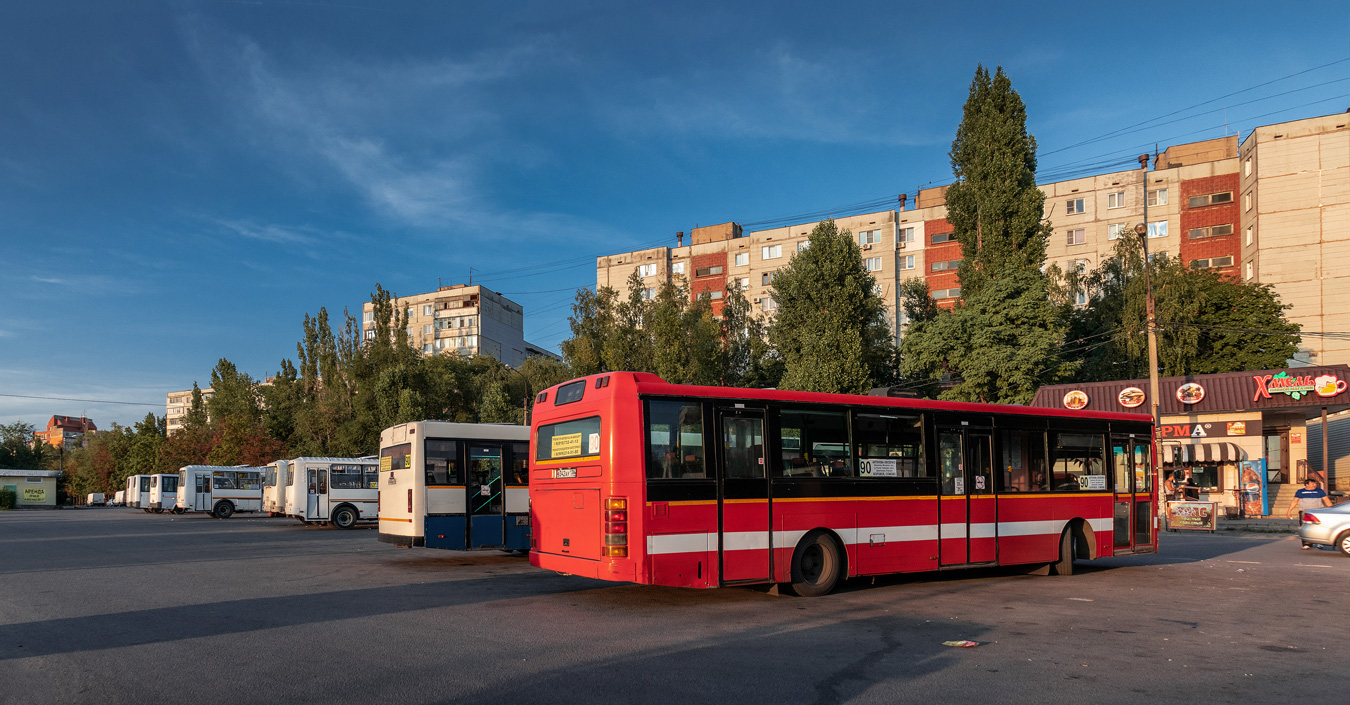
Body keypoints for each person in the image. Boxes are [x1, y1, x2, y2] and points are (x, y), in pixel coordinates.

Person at [1287, 478, 1332, 548]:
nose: (1314, 485)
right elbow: (1294, 502)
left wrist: (1331, 510)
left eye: (1315, 483)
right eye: (1312, 483)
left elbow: (1326, 500)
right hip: (1304, 512)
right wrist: (1289, 512)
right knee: (1305, 528)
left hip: (1317, 512)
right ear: (1306, 485)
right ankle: (1306, 544)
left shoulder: (1319, 491)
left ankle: (1319, 543)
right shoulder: (1300, 491)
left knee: (1318, 527)